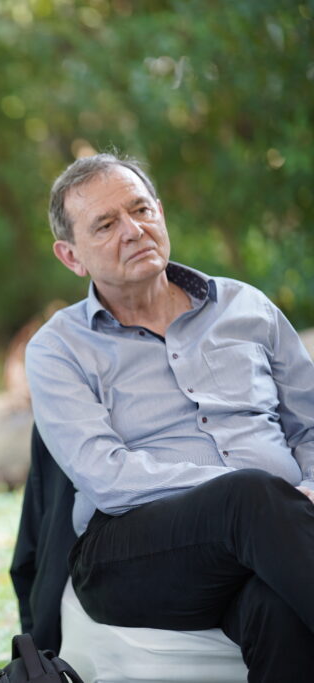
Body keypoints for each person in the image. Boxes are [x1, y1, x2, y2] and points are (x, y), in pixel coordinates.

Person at [25, 153, 314, 680]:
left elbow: (309, 426)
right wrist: (264, 496)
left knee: (277, 611)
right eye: (106, 225)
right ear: (71, 256)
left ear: (160, 212)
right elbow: (108, 478)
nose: (133, 230)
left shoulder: (246, 307)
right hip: (132, 554)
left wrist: (306, 491)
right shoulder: (58, 349)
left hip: (276, 531)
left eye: (140, 210)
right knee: (248, 496)